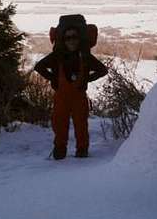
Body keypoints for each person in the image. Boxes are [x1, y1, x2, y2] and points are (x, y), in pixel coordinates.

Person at [34, 26, 108, 160]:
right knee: (59, 124)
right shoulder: (57, 56)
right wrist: (54, 78)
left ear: (79, 39)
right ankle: (60, 151)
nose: (72, 41)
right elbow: (38, 67)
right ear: (63, 40)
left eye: (74, 37)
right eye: (68, 38)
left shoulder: (85, 56)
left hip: (78, 97)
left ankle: (82, 151)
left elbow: (103, 70)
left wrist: (87, 79)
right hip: (61, 97)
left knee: (81, 125)